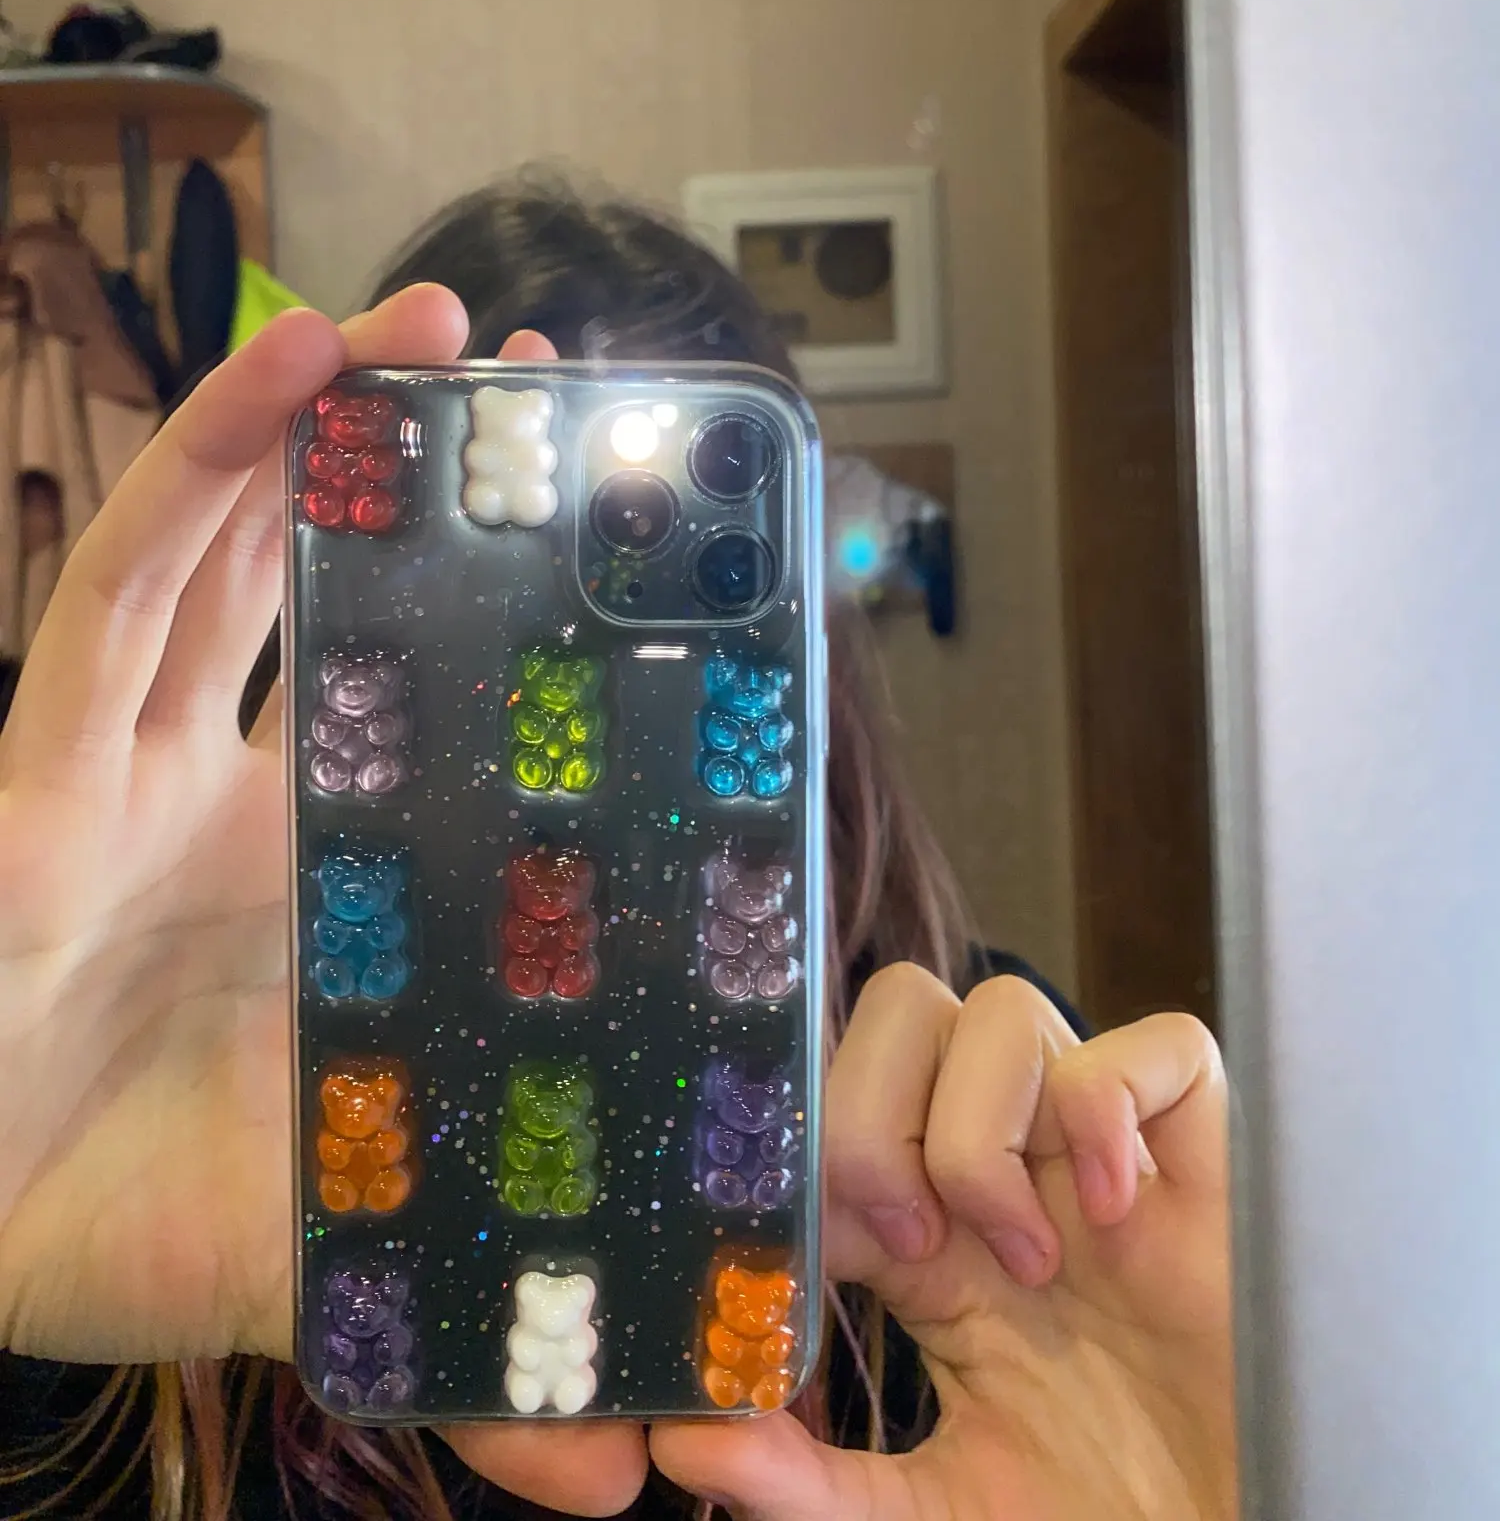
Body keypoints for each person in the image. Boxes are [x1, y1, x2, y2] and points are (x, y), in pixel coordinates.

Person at [0, 170, 1235, 1521]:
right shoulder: (160, 1152)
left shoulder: (997, 1156)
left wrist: (1194, 1481)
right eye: (498, 602)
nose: (579, 705)